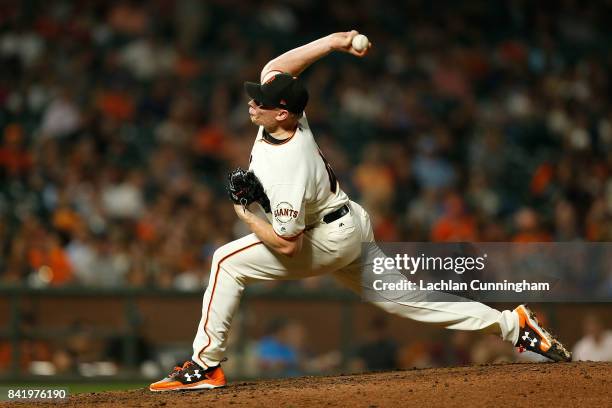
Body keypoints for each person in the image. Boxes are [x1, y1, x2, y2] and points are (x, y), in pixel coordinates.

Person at [149, 30, 571, 392]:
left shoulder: (288, 166)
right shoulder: (288, 118)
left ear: (282, 113)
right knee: (410, 300)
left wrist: (246, 213)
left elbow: (288, 246)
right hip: (348, 220)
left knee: (226, 261)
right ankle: (514, 325)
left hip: (325, 238)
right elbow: (279, 65)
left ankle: (204, 365)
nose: (252, 103)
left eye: (262, 101)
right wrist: (335, 41)